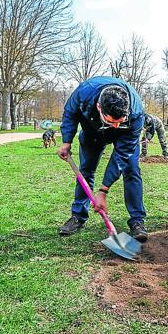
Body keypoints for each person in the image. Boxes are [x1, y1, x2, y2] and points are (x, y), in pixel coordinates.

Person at [57, 76, 148, 242]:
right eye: (111, 121)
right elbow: (70, 113)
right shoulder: (84, 93)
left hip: (125, 137)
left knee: (131, 170)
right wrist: (66, 141)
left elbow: (121, 156)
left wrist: (103, 191)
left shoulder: (135, 112)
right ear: (99, 107)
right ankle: (78, 216)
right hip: (93, 132)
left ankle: (137, 220)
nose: (115, 126)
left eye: (120, 121)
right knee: (85, 171)